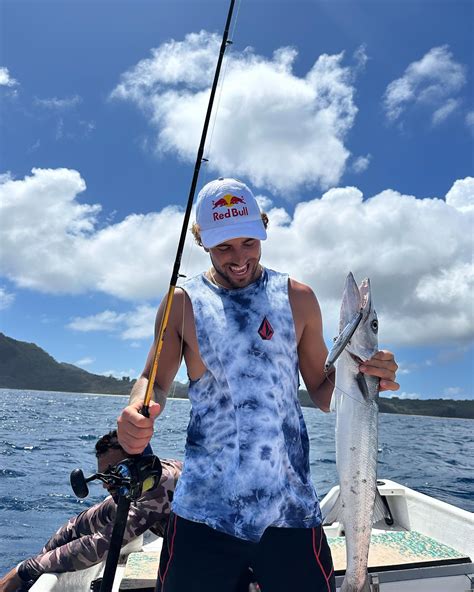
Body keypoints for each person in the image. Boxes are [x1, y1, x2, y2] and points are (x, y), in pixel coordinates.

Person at [117, 177, 400, 592]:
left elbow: (323, 392)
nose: (238, 258)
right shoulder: (182, 302)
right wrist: (135, 409)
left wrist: (368, 375)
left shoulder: (297, 297)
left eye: (248, 242)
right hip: (203, 511)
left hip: (289, 511)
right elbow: (153, 380)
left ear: (263, 229)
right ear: (202, 242)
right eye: (223, 247)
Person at [0, 430, 182, 592]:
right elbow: (80, 524)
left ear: (139, 467)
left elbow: (99, 545)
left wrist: (23, 570)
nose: (105, 485)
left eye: (113, 474)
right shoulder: (140, 481)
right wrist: (35, 568)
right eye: (103, 476)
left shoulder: (158, 490)